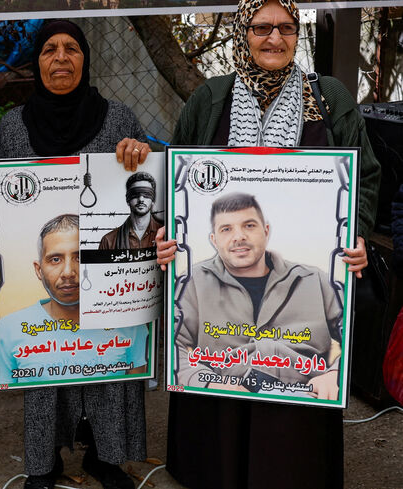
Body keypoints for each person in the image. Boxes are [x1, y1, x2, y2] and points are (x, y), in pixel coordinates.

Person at [153, 0, 380, 487]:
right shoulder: (210, 97)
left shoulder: (330, 97)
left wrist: (354, 232)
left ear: (297, 35)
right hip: (218, 291)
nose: (274, 38)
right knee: (220, 376)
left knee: (293, 384)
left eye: (285, 27)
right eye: (261, 27)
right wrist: (171, 235)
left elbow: (366, 175)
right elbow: (178, 180)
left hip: (294, 290)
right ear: (243, 31)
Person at [0, 19, 150, 489]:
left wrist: (139, 152)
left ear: (85, 58)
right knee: (46, 355)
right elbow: (1, 205)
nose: (61, 58)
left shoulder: (118, 119)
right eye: (49, 50)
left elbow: (146, 181)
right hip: (51, 269)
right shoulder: (13, 126)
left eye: (71, 49)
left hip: (105, 275)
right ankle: (43, 462)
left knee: (108, 357)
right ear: (36, 61)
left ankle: (106, 458)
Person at [175, 193, 341, 396]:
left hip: (304, 397)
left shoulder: (314, 279)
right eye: (226, 229)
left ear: (266, 231)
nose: (239, 236)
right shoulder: (194, 281)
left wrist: (336, 374)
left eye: (249, 225)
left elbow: (354, 333)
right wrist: (206, 382)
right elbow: (174, 345)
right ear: (214, 239)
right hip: (225, 398)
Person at [0, 214, 148, 386]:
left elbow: (133, 394)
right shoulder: (9, 330)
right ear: (39, 270)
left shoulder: (129, 321)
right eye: (55, 259)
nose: (68, 272)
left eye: (80, 257)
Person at [98, 172, 161, 250]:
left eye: (146, 194)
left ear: (153, 200)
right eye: (135, 194)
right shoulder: (108, 241)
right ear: (128, 199)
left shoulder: (166, 233)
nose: (141, 199)